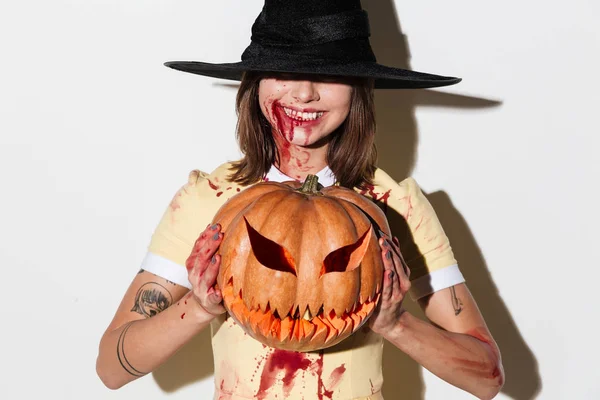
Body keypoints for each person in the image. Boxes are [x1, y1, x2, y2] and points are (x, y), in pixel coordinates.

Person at [96, 1, 504, 399]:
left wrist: (396, 324)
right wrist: (200, 307)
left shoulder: (393, 205)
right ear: (256, 82)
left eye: (329, 75)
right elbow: (111, 369)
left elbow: (486, 379)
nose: (305, 93)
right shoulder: (210, 199)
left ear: (359, 87)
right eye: (284, 70)